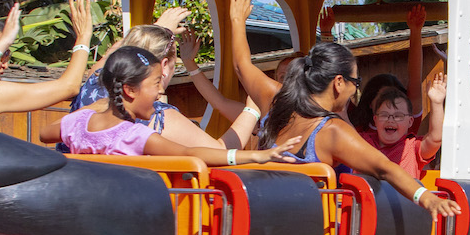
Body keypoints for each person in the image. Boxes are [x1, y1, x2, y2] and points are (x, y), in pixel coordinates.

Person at [256, 39, 460, 219]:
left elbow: (434, 139)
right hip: (340, 223)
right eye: (385, 115)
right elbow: (382, 166)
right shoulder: (348, 134)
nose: (391, 119)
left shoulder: (411, 146)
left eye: (398, 115)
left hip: (273, 216)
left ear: (409, 121)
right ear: (374, 118)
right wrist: (424, 196)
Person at [59, 46, 299, 168]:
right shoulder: (137, 135)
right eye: (156, 85)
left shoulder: (79, 123)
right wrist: (255, 153)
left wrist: (85, 114)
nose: (161, 92)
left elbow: (46, 132)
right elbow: (192, 152)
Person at [70, 8, 261, 151]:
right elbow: (219, 152)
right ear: (162, 66)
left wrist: (156, 31)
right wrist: (253, 108)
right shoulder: (154, 115)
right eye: (174, 62)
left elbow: (118, 53)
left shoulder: (94, 80)